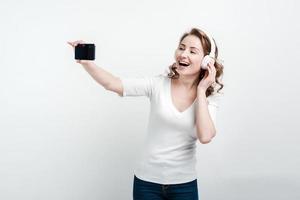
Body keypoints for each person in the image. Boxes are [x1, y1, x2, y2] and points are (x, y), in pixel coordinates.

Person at [68, 27, 224, 200]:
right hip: (147, 183)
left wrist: (201, 90)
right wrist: (87, 63)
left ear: (206, 61)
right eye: (181, 47)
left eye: (192, 51)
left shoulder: (210, 96)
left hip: (184, 184)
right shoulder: (158, 84)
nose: (183, 54)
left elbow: (206, 136)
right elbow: (113, 84)